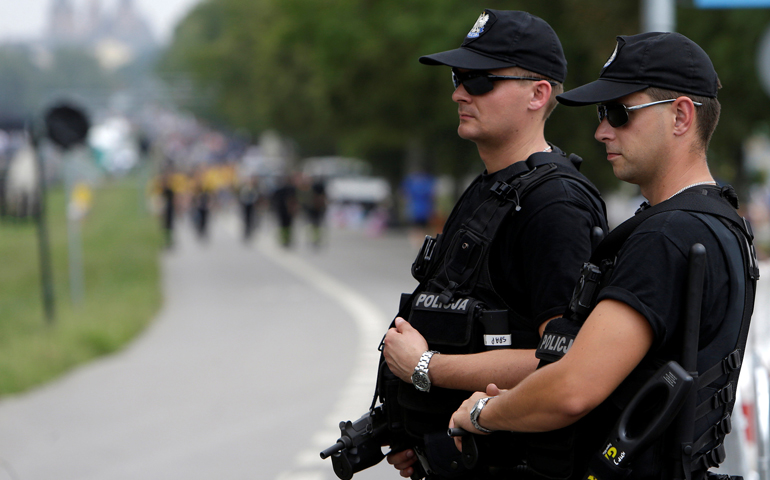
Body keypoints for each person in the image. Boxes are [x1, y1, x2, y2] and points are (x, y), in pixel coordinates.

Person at [449, 32, 758, 480]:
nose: (601, 131)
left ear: (680, 116)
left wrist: (482, 413)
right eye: (601, 113)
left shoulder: (668, 236)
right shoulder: (720, 221)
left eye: (619, 113)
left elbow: (573, 388)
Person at [379, 9, 608, 479]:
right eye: (459, 77)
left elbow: (562, 362)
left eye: (480, 80)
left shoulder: (555, 206)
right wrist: (415, 435)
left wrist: (425, 367)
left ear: (538, 93)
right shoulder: (490, 187)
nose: (458, 92)